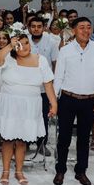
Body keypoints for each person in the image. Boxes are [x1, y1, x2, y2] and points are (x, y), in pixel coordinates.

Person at [0, 34, 57, 185]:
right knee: (8, 138)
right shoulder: (8, 58)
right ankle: (5, 171)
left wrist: (54, 103)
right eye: (19, 44)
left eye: (26, 43)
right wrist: (9, 46)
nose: (24, 47)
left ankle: (19, 171)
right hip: (10, 103)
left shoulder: (41, 60)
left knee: (22, 140)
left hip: (30, 104)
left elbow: (48, 84)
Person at [53, 17, 94, 185]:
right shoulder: (66, 50)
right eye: (82, 27)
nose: (86, 31)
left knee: (84, 138)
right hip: (68, 99)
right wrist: (54, 100)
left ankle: (81, 171)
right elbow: (59, 76)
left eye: (89, 27)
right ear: (74, 30)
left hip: (89, 100)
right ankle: (60, 170)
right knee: (64, 138)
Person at [27, 16, 59, 156]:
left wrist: (54, 87)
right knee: (27, 116)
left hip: (44, 88)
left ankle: (42, 144)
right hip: (27, 86)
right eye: (33, 26)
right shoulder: (24, 41)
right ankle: (26, 142)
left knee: (43, 117)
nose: (36, 29)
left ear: (44, 27)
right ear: (29, 28)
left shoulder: (51, 42)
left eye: (39, 26)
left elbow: (55, 64)